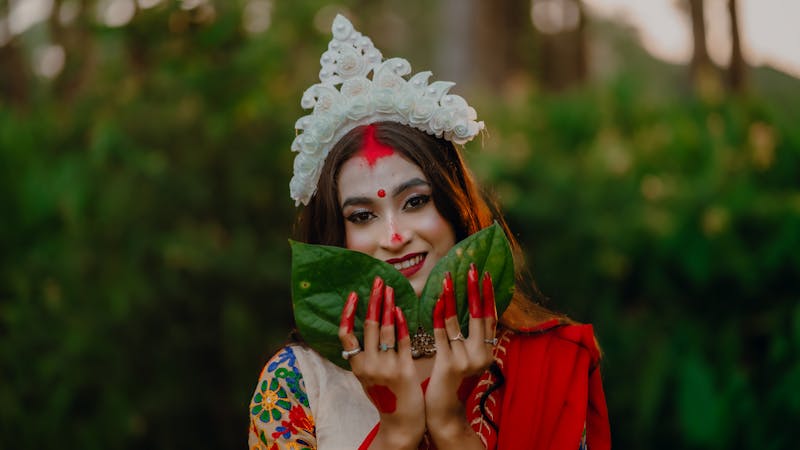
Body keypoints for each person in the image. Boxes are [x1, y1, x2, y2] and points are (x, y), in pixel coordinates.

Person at [248, 15, 610, 450]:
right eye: (363, 216)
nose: (395, 235)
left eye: (415, 201)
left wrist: (451, 428)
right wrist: (396, 432)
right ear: (335, 239)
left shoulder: (550, 362)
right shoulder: (294, 385)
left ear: (455, 208)